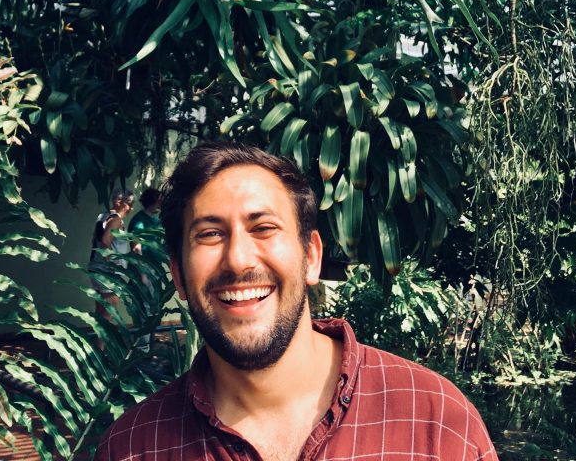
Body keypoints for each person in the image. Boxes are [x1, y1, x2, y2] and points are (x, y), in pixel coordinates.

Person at [96, 142, 499, 461]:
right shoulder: (132, 448)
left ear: (311, 258)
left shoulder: (436, 424)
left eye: (264, 227)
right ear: (180, 276)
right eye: (210, 234)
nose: (238, 259)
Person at [89, 188, 137, 326]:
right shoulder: (116, 220)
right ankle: (102, 347)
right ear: (120, 203)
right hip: (107, 273)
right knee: (109, 314)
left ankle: (97, 347)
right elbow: (105, 241)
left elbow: (94, 239)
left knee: (100, 312)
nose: (131, 209)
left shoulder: (102, 216)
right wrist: (111, 263)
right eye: (130, 205)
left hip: (95, 268)